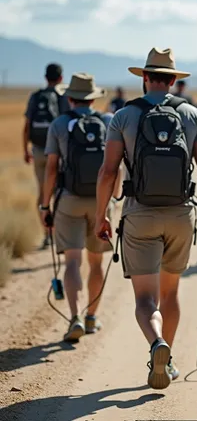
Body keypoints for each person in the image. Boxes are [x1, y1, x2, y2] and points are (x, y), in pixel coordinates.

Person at [95, 47, 197, 390]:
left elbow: (108, 172)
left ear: (144, 78)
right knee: (170, 293)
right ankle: (169, 362)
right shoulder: (192, 114)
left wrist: (101, 216)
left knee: (145, 300)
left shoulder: (124, 116)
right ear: (172, 80)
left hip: (140, 213)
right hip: (181, 215)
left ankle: (156, 344)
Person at [40, 73, 112, 342]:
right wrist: (112, 200)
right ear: (94, 98)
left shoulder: (59, 123)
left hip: (69, 199)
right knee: (96, 261)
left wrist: (44, 204)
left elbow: (50, 169)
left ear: (69, 98)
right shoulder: (107, 121)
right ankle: (92, 316)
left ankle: (75, 317)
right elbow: (116, 167)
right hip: (100, 201)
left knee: (72, 259)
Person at [23, 63, 70, 250]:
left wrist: (24, 149)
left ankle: (46, 234)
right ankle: (60, 233)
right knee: (59, 193)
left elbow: (27, 125)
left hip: (38, 150)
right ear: (60, 78)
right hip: (57, 152)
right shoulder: (62, 97)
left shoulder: (35, 97)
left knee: (43, 194)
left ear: (45, 77)